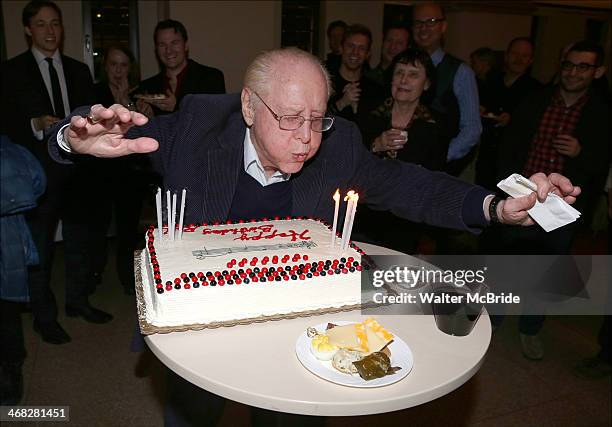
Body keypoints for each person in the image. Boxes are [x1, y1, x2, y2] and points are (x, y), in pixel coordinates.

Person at [50, 47, 580, 426]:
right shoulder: (197, 127)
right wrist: (73, 139)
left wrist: (492, 205)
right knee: (195, 408)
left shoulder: (338, 143)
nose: (306, 138)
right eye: (290, 118)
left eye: (317, 119)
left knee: (292, 412)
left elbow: (405, 184)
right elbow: (106, 130)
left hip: (295, 308)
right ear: (249, 107)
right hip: (205, 310)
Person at [0, 0, 111, 345]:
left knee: (79, 244)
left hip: (78, 174)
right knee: (41, 249)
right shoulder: (10, 71)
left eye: (56, 24)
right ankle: (44, 317)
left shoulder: (79, 70)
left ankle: (78, 302)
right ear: (28, 30)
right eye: (42, 24)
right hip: (38, 175)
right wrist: (35, 124)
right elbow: (5, 122)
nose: (50, 31)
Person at [494, 40, 610, 360]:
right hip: (523, 198)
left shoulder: (602, 113)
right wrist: (508, 187)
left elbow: (602, 165)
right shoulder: (537, 100)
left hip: (562, 209)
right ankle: (494, 318)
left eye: (583, 66)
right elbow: (510, 145)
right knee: (507, 263)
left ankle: (530, 328)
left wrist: (580, 153)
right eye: (568, 65)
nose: (573, 72)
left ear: (598, 72)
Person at [358, 48, 450, 253]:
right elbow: (350, 161)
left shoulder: (436, 125)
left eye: (413, 74)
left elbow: (437, 175)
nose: (403, 80)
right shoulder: (369, 113)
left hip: (407, 218)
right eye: (399, 72)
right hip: (365, 214)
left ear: (426, 84)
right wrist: (375, 145)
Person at [92, 46, 153, 295]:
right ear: (105, 66)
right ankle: (94, 275)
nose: (118, 71)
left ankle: (127, 278)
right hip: (100, 173)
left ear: (131, 69)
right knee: (98, 228)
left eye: (124, 65)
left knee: (127, 231)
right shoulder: (95, 93)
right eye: (113, 64)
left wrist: (130, 104)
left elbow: (141, 132)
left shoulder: (138, 97)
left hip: (130, 173)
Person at [0, 135, 46, 405]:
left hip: (5, 244)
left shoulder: (9, 149)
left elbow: (36, 183)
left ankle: (11, 367)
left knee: (6, 314)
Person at [412, 2, 482, 176]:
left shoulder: (461, 72)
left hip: (444, 171)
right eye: (418, 23)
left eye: (431, 21)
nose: (424, 28)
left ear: (443, 27)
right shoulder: (403, 66)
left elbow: (472, 128)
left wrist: (441, 156)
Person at [475, 37, 541, 190]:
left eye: (524, 56)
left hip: (515, 162)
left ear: (530, 60)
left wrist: (513, 120)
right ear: (506, 56)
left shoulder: (536, 90)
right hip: (486, 155)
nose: (518, 59)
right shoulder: (492, 81)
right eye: (515, 54)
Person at [137, 19, 225, 116]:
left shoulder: (211, 78)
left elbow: (216, 118)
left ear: (186, 46)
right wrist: (147, 117)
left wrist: (177, 106)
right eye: (162, 45)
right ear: (156, 50)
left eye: (174, 43)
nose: (168, 51)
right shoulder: (147, 87)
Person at [328, 24, 383, 130]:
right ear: (341, 48)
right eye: (350, 46)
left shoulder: (375, 90)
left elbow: (374, 130)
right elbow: (316, 122)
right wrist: (341, 103)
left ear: (368, 54)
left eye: (361, 48)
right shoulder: (326, 83)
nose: (355, 52)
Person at [365, 23, 411, 88]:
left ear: (408, 47)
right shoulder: (368, 79)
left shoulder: (411, 81)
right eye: (389, 40)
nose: (392, 46)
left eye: (399, 43)